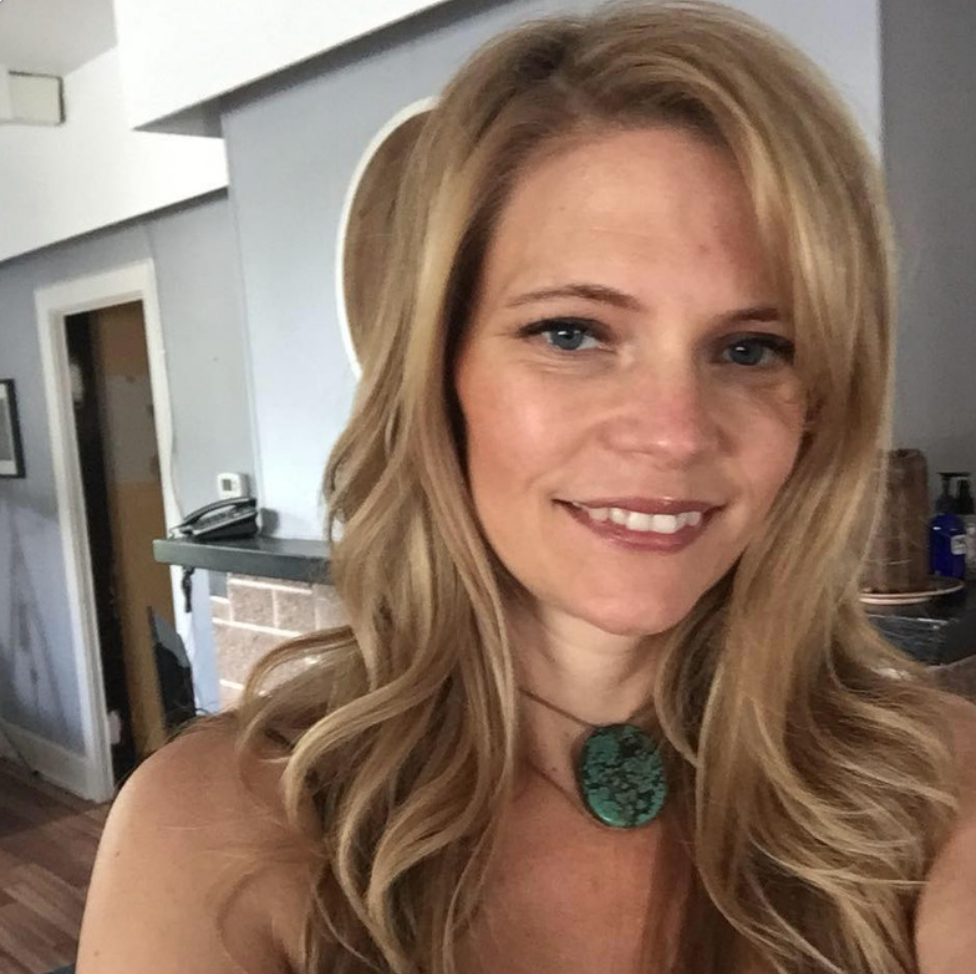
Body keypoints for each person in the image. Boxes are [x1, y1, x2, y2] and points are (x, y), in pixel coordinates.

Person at [76, 3, 976, 973]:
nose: (674, 432)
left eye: (751, 348)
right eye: (571, 333)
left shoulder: (936, 788)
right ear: (440, 375)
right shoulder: (216, 831)